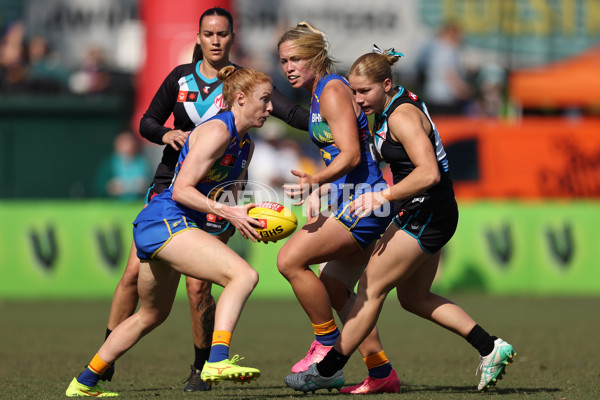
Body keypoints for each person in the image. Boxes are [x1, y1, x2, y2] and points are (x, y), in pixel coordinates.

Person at [284, 48, 516, 393]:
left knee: (370, 289)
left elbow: (429, 173)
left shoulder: (401, 116)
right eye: (353, 91)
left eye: (364, 91)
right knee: (414, 299)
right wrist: (328, 189)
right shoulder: (389, 107)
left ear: (387, 84)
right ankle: (490, 347)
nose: (357, 99)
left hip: (427, 211)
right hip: (427, 211)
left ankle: (329, 368)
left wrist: (383, 196)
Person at [101, 7, 309, 392]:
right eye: (208, 34)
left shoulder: (245, 83)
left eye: (222, 34)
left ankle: (202, 368)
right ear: (198, 38)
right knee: (132, 275)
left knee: (199, 287)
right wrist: (167, 136)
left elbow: (292, 113)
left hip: (220, 193)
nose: (215, 40)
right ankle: (104, 357)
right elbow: (146, 121)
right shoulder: (181, 78)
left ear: (233, 38)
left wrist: (332, 120)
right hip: (172, 185)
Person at [66, 64, 272, 398]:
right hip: (166, 219)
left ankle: (83, 382)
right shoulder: (217, 131)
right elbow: (180, 191)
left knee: (151, 314)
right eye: (264, 100)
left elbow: (225, 191)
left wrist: (240, 216)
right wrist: (228, 212)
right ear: (240, 98)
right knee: (244, 276)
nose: (271, 107)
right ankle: (217, 360)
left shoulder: (243, 144)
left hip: (167, 225)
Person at [276, 22, 401, 394]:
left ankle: (326, 344)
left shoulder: (331, 90)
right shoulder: (317, 93)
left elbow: (349, 154)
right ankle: (381, 372)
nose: (288, 67)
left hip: (366, 203)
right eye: (283, 61)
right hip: (352, 200)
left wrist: (315, 181)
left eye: (296, 58)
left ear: (316, 57)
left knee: (289, 260)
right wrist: (322, 190)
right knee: (332, 286)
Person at [93, 131, 151, 200]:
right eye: (124, 142)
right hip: (114, 206)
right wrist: (111, 188)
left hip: (138, 205)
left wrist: (144, 186)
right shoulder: (109, 164)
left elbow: (152, 185)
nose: (128, 145)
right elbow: (100, 188)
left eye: (130, 141)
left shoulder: (142, 163)